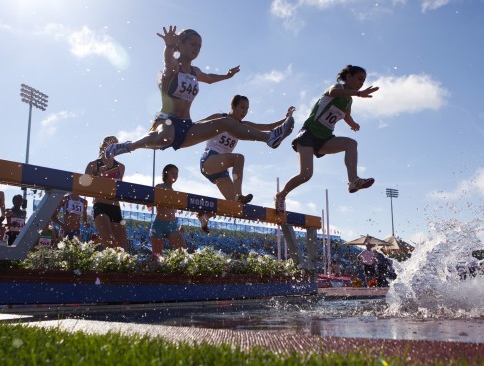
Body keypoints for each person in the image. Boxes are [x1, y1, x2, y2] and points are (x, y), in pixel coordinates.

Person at [104, 26, 295, 159]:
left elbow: (210, 78)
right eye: (193, 44)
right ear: (182, 44)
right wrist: (169, 46)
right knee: (165, 138)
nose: (197, 48)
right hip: (167, 121)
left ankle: (269, 138)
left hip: (187, 126)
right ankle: (127, 146)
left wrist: (226, 76)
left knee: (226, 122)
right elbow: (167, 59)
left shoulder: (195, 72)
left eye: (200, 46)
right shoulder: (173, 68)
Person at [275, 65, 379, 213]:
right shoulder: (336, 87)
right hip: (309, 134)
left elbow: (347, 116)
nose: (361, 83)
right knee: (306, 175)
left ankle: (353, 181)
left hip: (325, 139)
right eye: (359, 79)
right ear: (349, 77)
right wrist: (359, 93)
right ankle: (281, 195)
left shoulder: (349, 101)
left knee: (351, 144)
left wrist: (353, 124)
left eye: (364, 80)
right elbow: (333, 92)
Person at [196, 95, 295, 233]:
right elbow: (199, 124)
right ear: (233, 106)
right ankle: (239, 194)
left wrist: (286, 118)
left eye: (247, 109)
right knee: (239, 158)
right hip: (210, 159)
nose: (244, 111)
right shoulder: (220, 117)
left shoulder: (243, 125)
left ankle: (206, 215)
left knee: (234, 204)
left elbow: (266, 127)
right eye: (242, 107)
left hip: (222, 169)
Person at [85, 136, 128, 250]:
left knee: (123, 249)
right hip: (100, 206)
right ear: (104, 146)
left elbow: (118, 189)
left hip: (115, 208)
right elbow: (84, 188)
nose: (114, 148)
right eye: (111, 145)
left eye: (117, 146)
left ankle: (98, 240)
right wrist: (98, 176)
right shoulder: (93, 165)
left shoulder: (121, 167)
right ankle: (100, 239)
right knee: (110, 243)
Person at [150, 164, 187, 256]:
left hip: (172, 225)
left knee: (183, 253)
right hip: (159, 224)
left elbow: (172, 212)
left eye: (176, 174)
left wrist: (178, 225)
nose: (175, 175)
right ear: (165, 173)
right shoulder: (160, 187)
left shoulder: (175, 192)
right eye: (172, 173)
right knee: (156, 256)